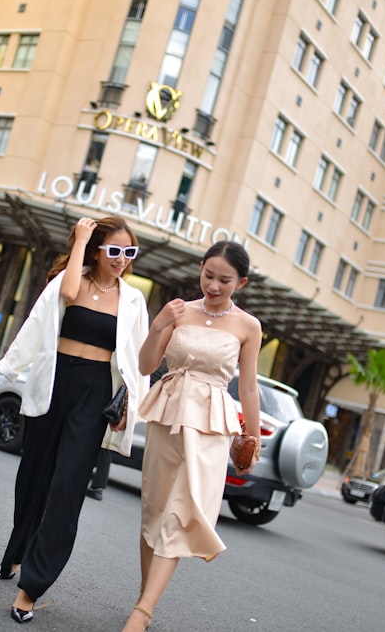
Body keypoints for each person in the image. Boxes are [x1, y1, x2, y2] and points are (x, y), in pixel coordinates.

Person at [0, 216, 150, 625]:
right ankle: (15, 551)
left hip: (96, 392)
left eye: (129, 253)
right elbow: (63, 295)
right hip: (56, 382)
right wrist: (81, 238)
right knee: (33, 476)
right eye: (113, 251)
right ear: (97, 249)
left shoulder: (133, 300)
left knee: (66, 487)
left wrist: (130, 404)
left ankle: (32, 586)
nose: (121, 260)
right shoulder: (72, 280)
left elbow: (136, 359)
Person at [122, 241, 262, 632]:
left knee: (183, 512)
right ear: (200, 268)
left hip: (212, 426)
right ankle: (143, 596)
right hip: (168, 412)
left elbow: (248, 388)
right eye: (209, 276)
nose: (214, 286)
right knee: (154, 511)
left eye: (225, 280)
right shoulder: (179, 310)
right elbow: (146, 364)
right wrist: (159, 324)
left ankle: (142, 612)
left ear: (242, 282)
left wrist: (252, 437)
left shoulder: (248, 326)